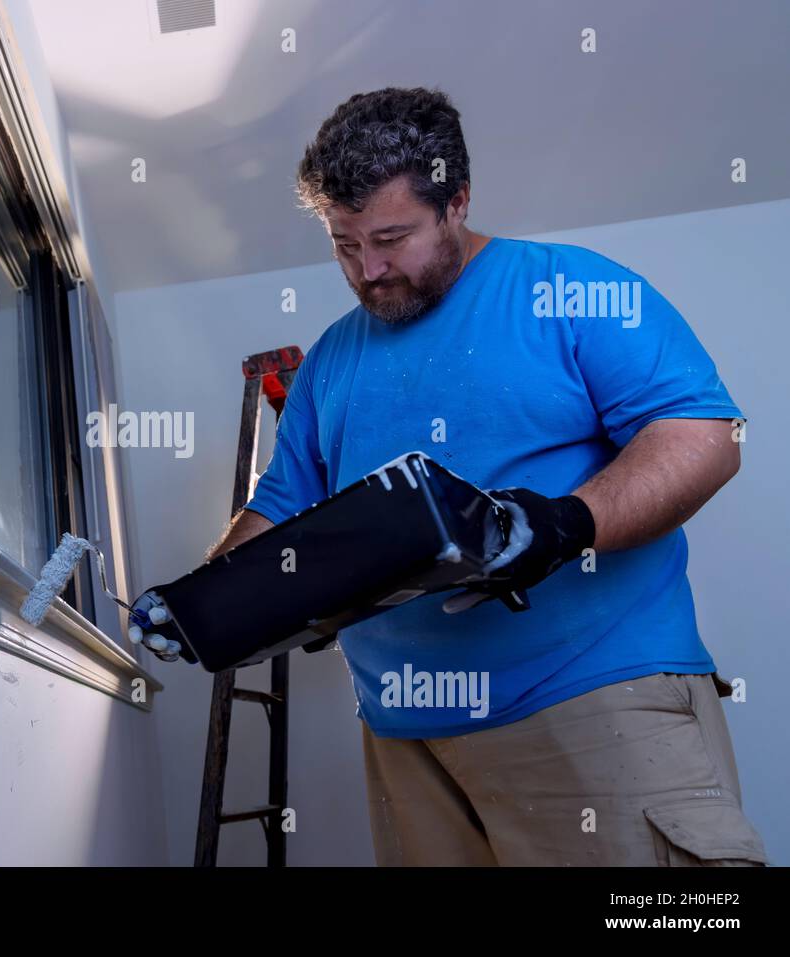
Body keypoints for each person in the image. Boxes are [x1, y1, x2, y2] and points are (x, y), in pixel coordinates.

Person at [192, 87, 767, 866]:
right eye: (344, 244)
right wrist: (203, 599)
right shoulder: (331, 358)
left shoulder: (570, 289)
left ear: (456, 201)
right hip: (406, 738)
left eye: (392, 237)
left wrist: (563, 524)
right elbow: (281, 507)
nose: (369, 269)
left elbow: (704, 434)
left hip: (591, 702)